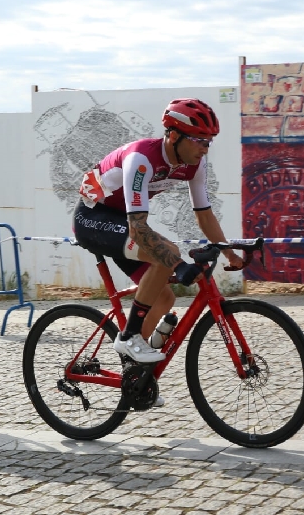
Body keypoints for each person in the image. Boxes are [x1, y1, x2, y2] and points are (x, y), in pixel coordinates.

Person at [73, 98, 243, 381]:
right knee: (166, 253)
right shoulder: (141, 159)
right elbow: (138, 228)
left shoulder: (193, 165)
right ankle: (129, 338)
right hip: (93, 219)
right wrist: (178, 264)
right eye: (199, 140)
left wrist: (230, 253)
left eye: (209, 142)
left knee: (163, 298)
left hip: (120, 223)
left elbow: (204, 214)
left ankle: (134, 375)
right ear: (174, 136)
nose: (204, 149)